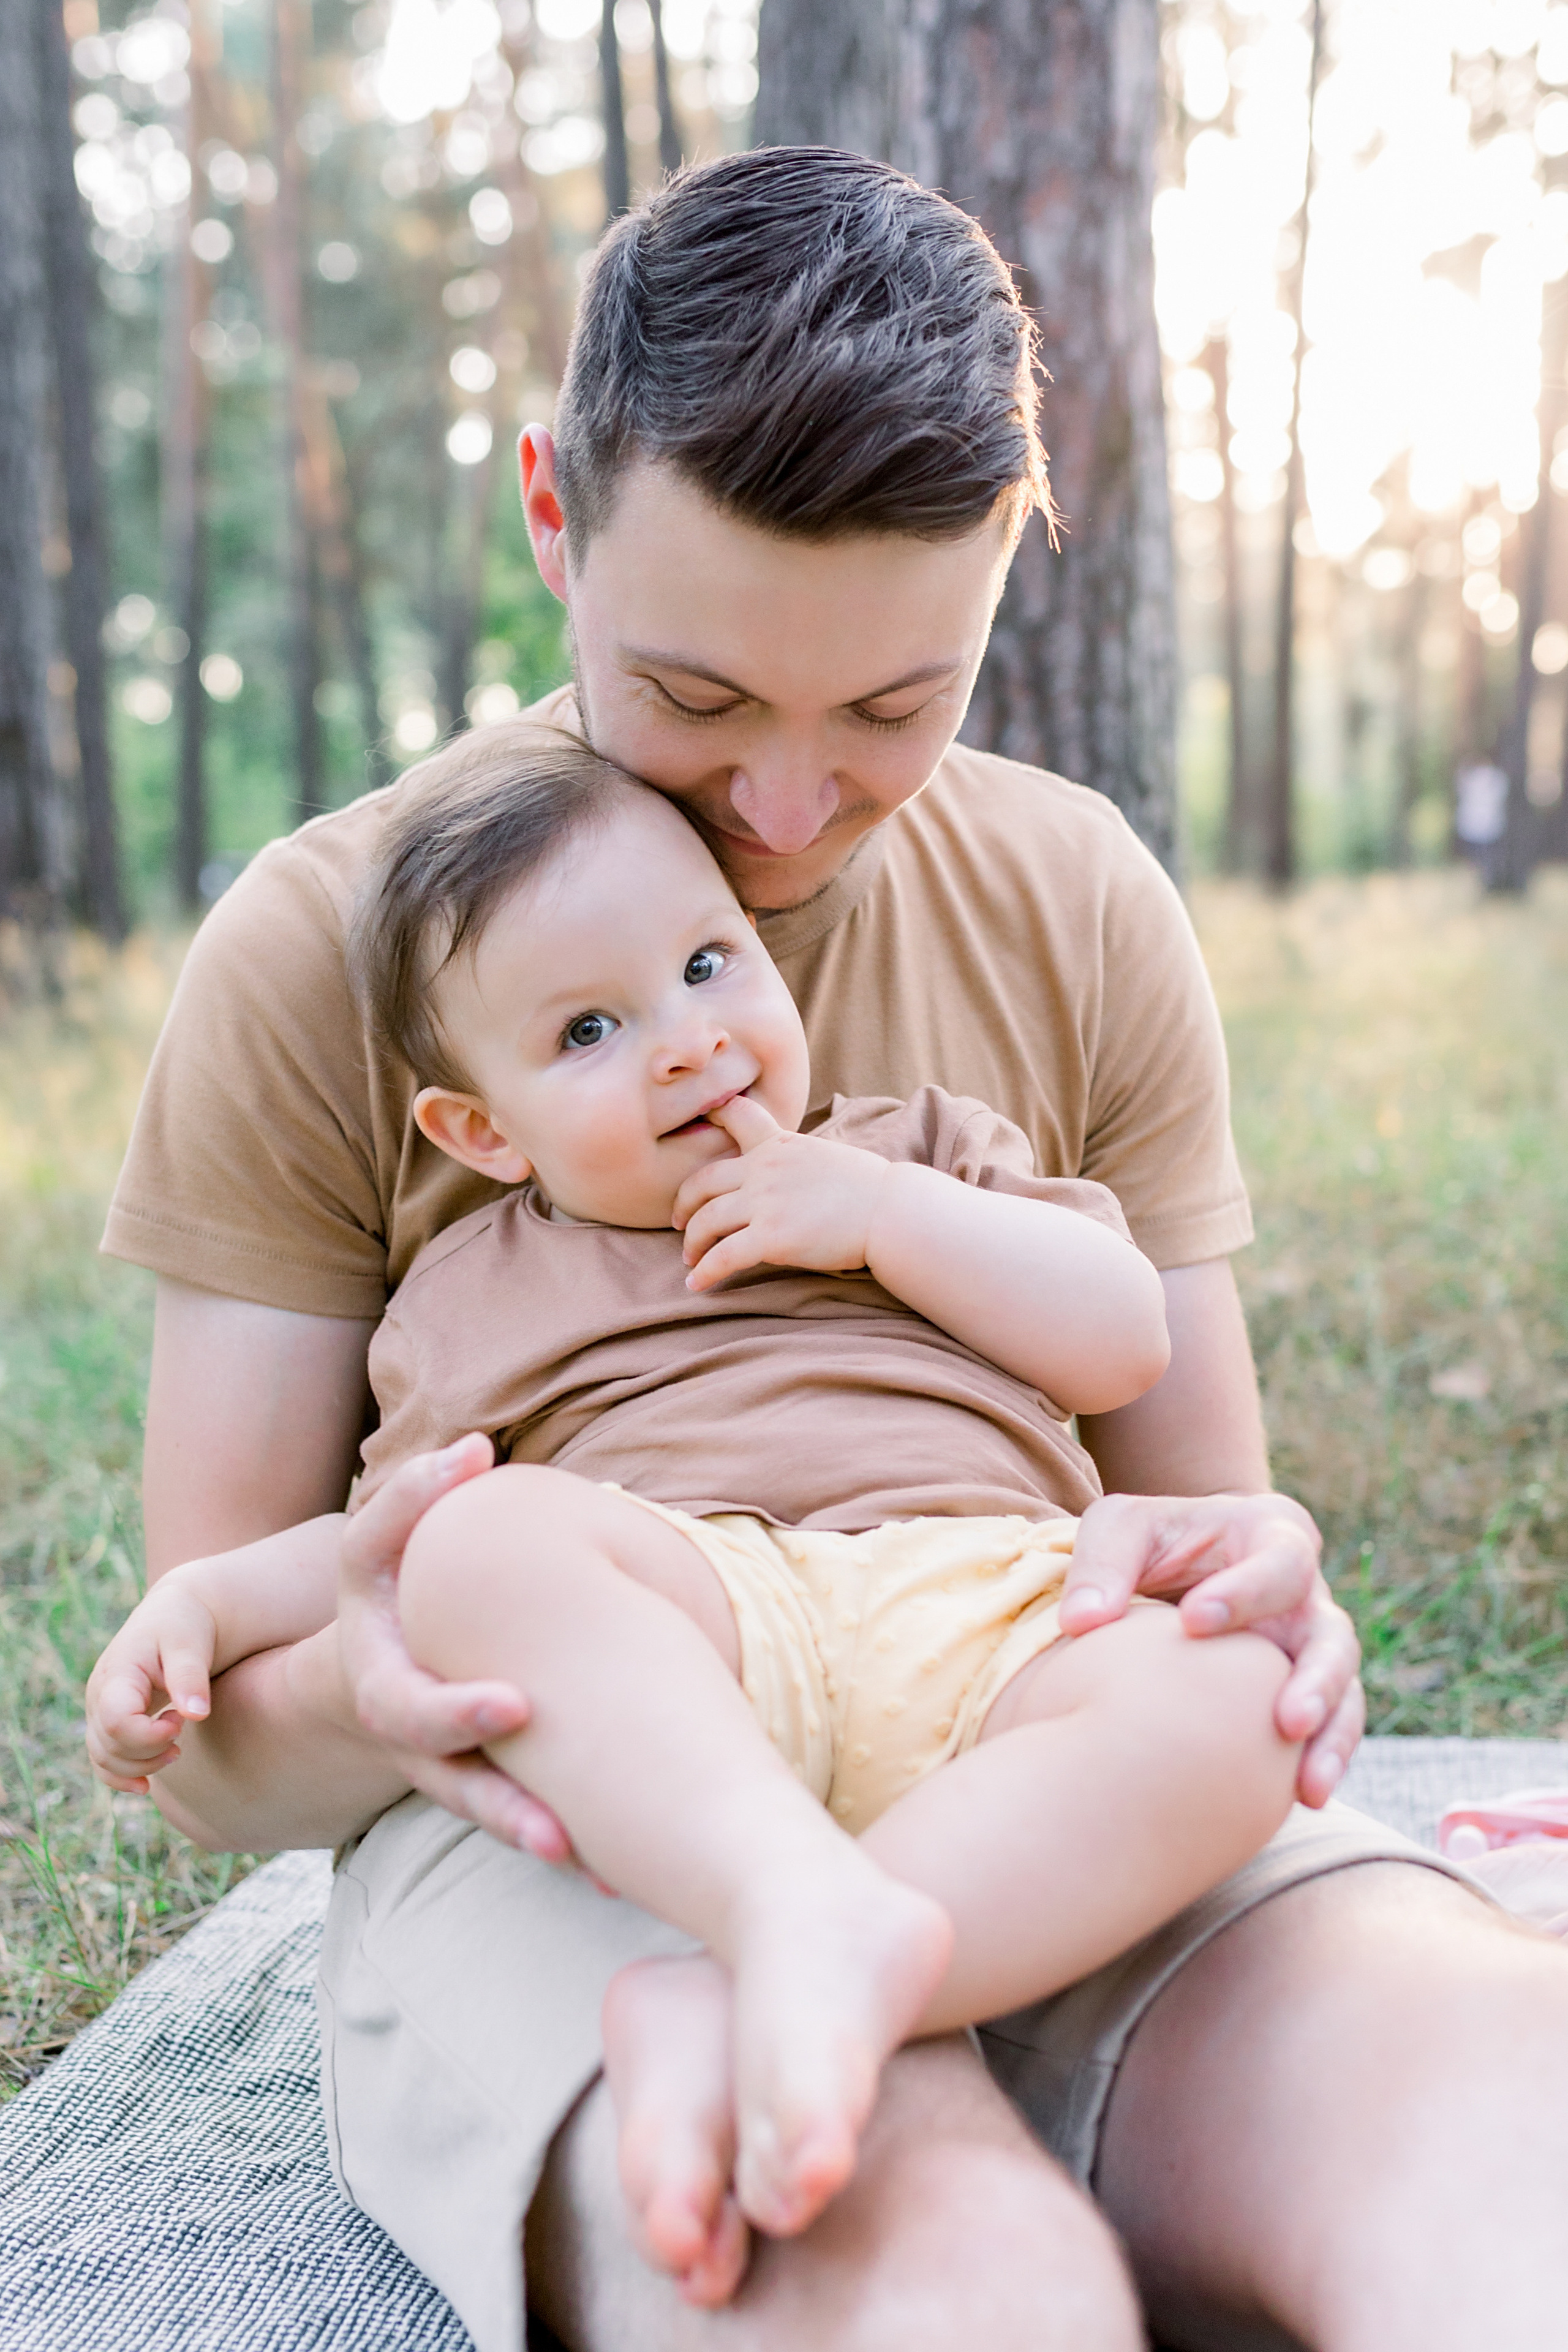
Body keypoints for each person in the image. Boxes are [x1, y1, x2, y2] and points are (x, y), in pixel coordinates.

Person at [100, 147, 1568, 2352]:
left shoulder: (1077, 901)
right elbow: (211, 1731)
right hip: (566, 1826)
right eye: (695, 698)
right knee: (940, 2278)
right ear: (550, 521)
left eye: (896, 711)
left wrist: (1253, 1587)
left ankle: (850, 1946)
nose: (781, 815)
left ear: (1007, 572)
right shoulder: (338, 943)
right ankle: (775, 1994)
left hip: (1019, 1743)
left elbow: (1198, 1500)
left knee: (1499, 2134)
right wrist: (400, 1676)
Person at [88, 738, 1303, 2307]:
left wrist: (881, 1218)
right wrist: (209, 1607)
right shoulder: (482, 1287)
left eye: (707, 964)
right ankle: (781, 1903)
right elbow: (396, 1545)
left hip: (996, 1607)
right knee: (482, 1543)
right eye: (589, 1029)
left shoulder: (925, 1150)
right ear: (484, 1134)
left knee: (1230, 1689)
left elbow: (1119, 1336)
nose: (685, 1045)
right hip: (696, 1627)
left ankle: (781, 1982)